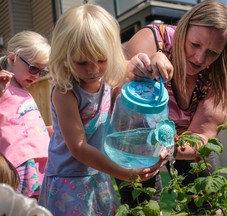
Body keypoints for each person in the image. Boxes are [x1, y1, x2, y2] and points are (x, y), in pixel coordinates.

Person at [38, 4, 166, 215]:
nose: (93, 69)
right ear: (64, 56)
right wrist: (125, 174)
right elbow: (78, 148)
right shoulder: (64, 92)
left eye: (101, 59)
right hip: (68, 180)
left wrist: (156, 58)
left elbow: (139, 66)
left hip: (98, 174)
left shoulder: (110, 76)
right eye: (82, 62)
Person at [117, 0, 227, 212]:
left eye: (213, 53)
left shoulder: (220, 75)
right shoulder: (152, 40)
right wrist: (142, 67)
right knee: (142, 204)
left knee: (205, 200)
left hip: (183, 141)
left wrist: (169, 148)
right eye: (195, 45)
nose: (200, 58)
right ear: (183, 29)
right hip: (137, 135)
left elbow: (202, 138)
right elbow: (117, 93)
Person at [0, 31, 51, 199]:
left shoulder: (24, 91)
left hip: (42, 160)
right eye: (33, 68)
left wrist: (47, 131)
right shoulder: (3, 85)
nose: (36, 75)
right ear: (12, 59)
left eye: (42, 72)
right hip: (19, 163)